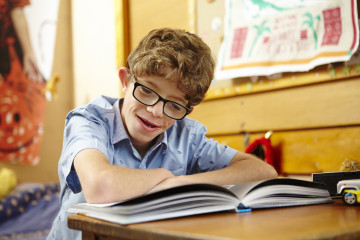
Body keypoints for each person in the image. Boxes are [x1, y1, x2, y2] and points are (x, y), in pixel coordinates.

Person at [47, 28, 278, 239]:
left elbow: (262, 171)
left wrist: (178, 184)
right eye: (147, 91)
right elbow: (100, 187)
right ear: (125, 80)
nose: (156, 112)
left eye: (175, 106)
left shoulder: (187, 135)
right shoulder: (88, 121)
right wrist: (163, 175)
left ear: (187, 111)